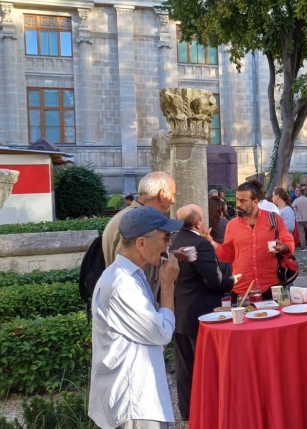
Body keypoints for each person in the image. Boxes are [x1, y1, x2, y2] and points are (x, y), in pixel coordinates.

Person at [88, 206, 183, 429]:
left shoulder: (131, 276)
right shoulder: (122, 284)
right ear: (141, 243)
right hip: (134, 400)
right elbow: (162, 332)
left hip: (139, 395)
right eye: (165, 237)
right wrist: (168, 285)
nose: (169, 244)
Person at [171, 204, 236, 421]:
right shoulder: (200, 244)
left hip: (179, 310)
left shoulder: (173, 240)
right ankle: (208, 412)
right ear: (199, 223)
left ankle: (188, 412)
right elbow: (215, 281)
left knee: (185, 366)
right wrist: (233, 281)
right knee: (207, 366)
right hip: (202, 313)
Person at [101, 171, 176, 298]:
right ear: (163, 194)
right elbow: (131, 264)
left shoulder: (125, 216)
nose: (173, 200)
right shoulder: (137, 222)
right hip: (135, 301)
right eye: (173, 195)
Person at [216, 181, 294, 302]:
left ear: (255, 201)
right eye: (237, 200)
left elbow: (289, 242)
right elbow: (227, 255)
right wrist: (213, 244)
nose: (238, 204)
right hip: (243, 290)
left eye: (243, 201)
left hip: (271, 287)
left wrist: (283, 247)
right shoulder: (232, 225)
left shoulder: (273, 219)